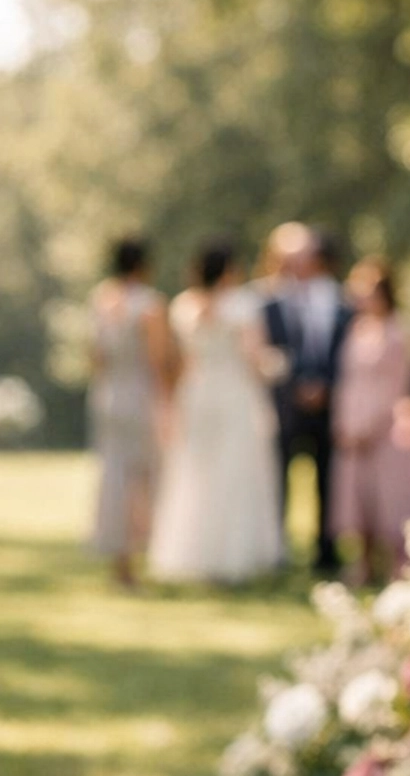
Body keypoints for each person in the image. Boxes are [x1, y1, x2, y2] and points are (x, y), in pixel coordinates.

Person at [149, 241, 282, 584]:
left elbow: (182, 363)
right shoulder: (242, 305)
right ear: (227, 270)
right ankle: (232, 559)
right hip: (233, 395)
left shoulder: (184, 306)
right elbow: (255, 358)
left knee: (198, 474)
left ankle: (197, 555)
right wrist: (279, 367)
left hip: (196, 396)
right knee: (234, 473)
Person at [328, 259, 410, 583]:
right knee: (356, 498)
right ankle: (362, 564)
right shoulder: (356, 330)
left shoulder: (399, 331)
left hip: (385, 430)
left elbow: (401, 386)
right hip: (353, 429)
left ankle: (395, 568)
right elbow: (346, 381)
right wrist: (344, 423)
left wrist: (371, 426)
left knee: (390, 498)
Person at [260, 224, 349, 574]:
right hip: (285, 405)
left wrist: (325, 385)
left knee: (328, 480)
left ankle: (325, 552)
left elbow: (343, 351)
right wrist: (297, 383)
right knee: (278, 478)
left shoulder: (339, 298)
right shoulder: (268, 300)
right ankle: (277, 549)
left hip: (328, 404)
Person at [88, 236, 170, 587]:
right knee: (144, 478)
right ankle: (139, 561)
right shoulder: (149, 304)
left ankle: (120, 565)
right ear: (143, 265)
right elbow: (158, 359)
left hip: (108, 397)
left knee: (114, 478)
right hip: (140, 396)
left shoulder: (102, 300)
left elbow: (94, 357)